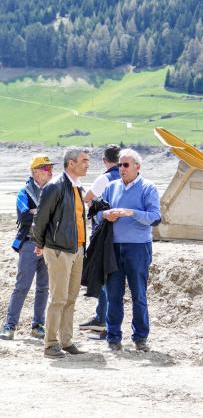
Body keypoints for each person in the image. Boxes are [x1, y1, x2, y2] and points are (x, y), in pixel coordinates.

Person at [32, 148, 90, 358]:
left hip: (77, 249)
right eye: (84, 160)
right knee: (58, 298)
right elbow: (40, 219)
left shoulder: (77, 187)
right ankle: (50, 343)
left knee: (71, 297)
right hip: (58, 250)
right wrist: (41, 243)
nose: (87, 164)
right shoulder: (55, 186)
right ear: (71, 164)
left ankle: (66, 341)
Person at [101, 149, 160, 352]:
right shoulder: (111, 187)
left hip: (138, 248)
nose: (122, 169)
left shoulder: (148, 188)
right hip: (114, 248)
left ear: (137, 167)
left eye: (126, 165)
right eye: (119, 165)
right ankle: (113, 337)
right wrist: (106, 214)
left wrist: (132, 213)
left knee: (139, 295)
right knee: (113, 295)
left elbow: (154, 216)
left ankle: (140, 337)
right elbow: (97, 212)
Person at [0, 156, 54, 341]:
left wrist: (36, 213)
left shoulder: (52, 191)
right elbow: (24, 217)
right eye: (46, 167)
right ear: (35, 171)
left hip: (48, 245)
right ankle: (10, 325)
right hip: (29, 243)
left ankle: (38, 325)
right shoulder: (24, 192)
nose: (50, 170)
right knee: (22, 286)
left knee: (43, 287)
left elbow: (57, 217)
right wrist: (45, 214)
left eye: (50, 167)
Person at [79, 144, 121, 338]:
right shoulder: (128, 176)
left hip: (104, 233)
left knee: (103, 277)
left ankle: (101, 321)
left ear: (104, 160)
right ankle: (104, 320)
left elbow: (87, 198)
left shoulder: (104, 178)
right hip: (124, 235)